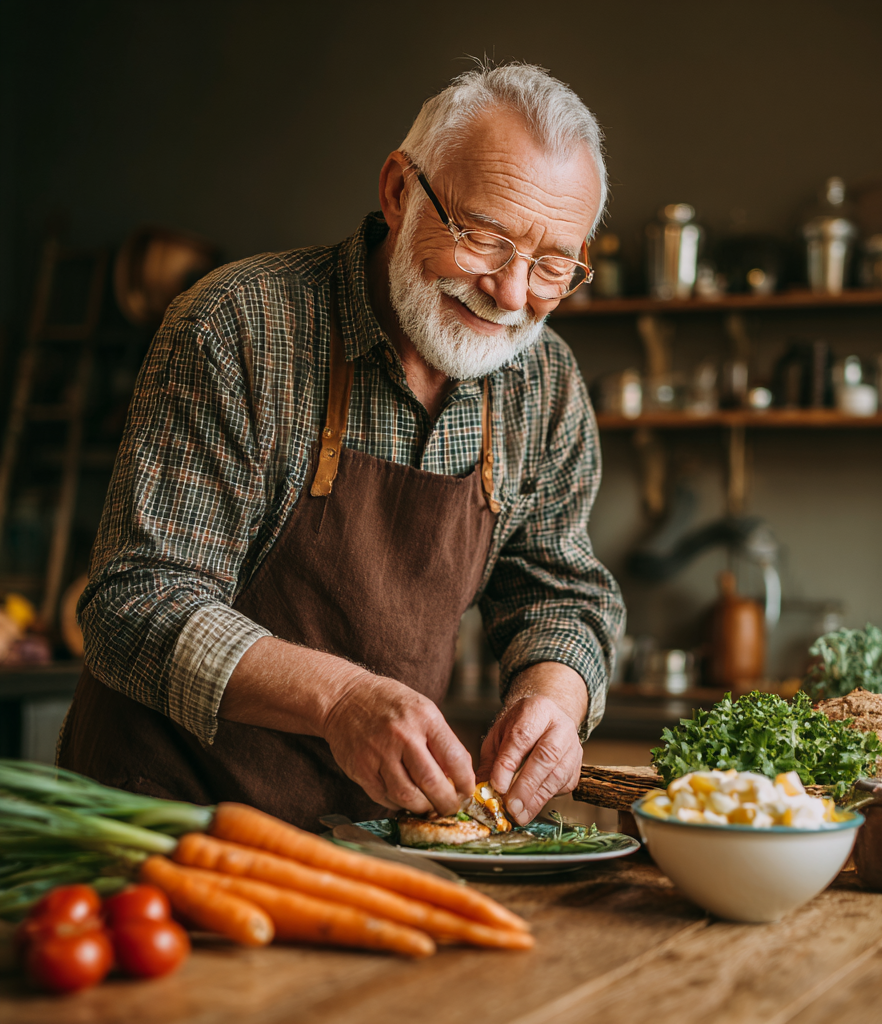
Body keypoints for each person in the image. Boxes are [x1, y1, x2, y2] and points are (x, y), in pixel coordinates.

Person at [59, 63, 625, 832]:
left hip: (369, 845)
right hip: (170, 826)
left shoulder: (543, 380)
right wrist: (342, 700)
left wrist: (555, 696)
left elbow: (558, 588)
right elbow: (136, 603)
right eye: (486, 241)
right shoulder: (239, 326)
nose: (514, 294)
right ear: (399, 190)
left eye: (554, 266)